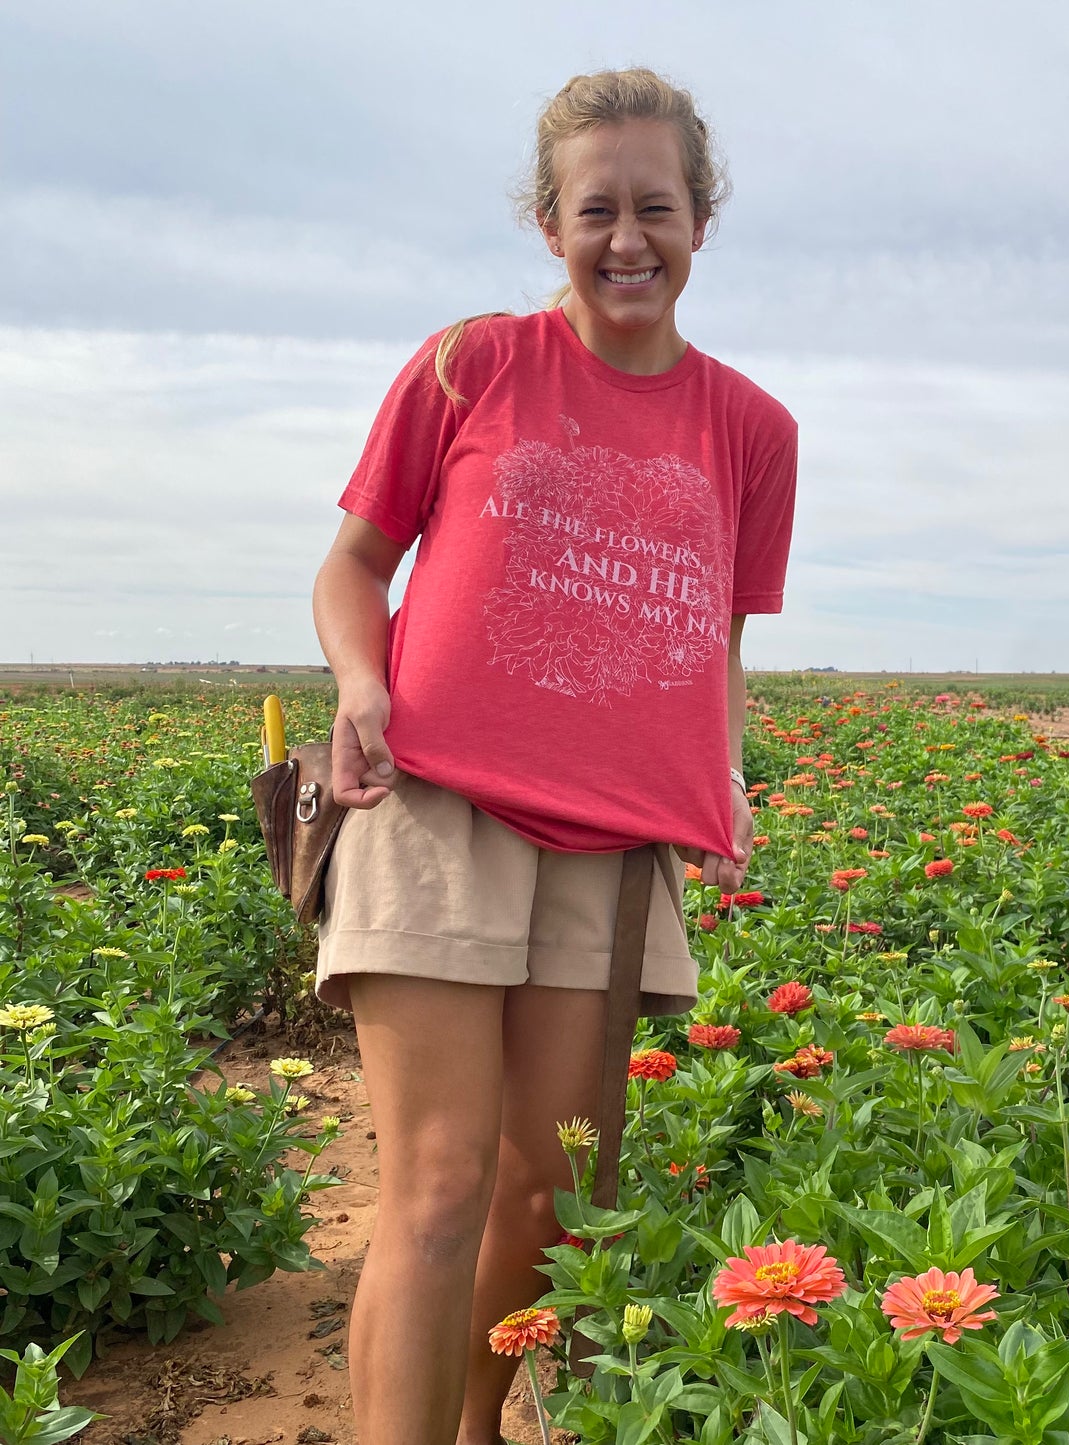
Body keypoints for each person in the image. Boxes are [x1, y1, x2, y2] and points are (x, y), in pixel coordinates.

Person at [309, 68, 798, 1445]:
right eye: (597, 209)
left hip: (616, 846)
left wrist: (726, 771)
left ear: (702, 219)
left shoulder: (753, 431)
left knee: (547, 1190)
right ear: (548, 222)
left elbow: (718, 637)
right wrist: (359, 681)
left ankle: (480, 1418)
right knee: (441, 1177)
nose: (626, 237)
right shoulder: (471, 364)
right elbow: (353, 564)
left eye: (656, 206)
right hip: (437, 807)